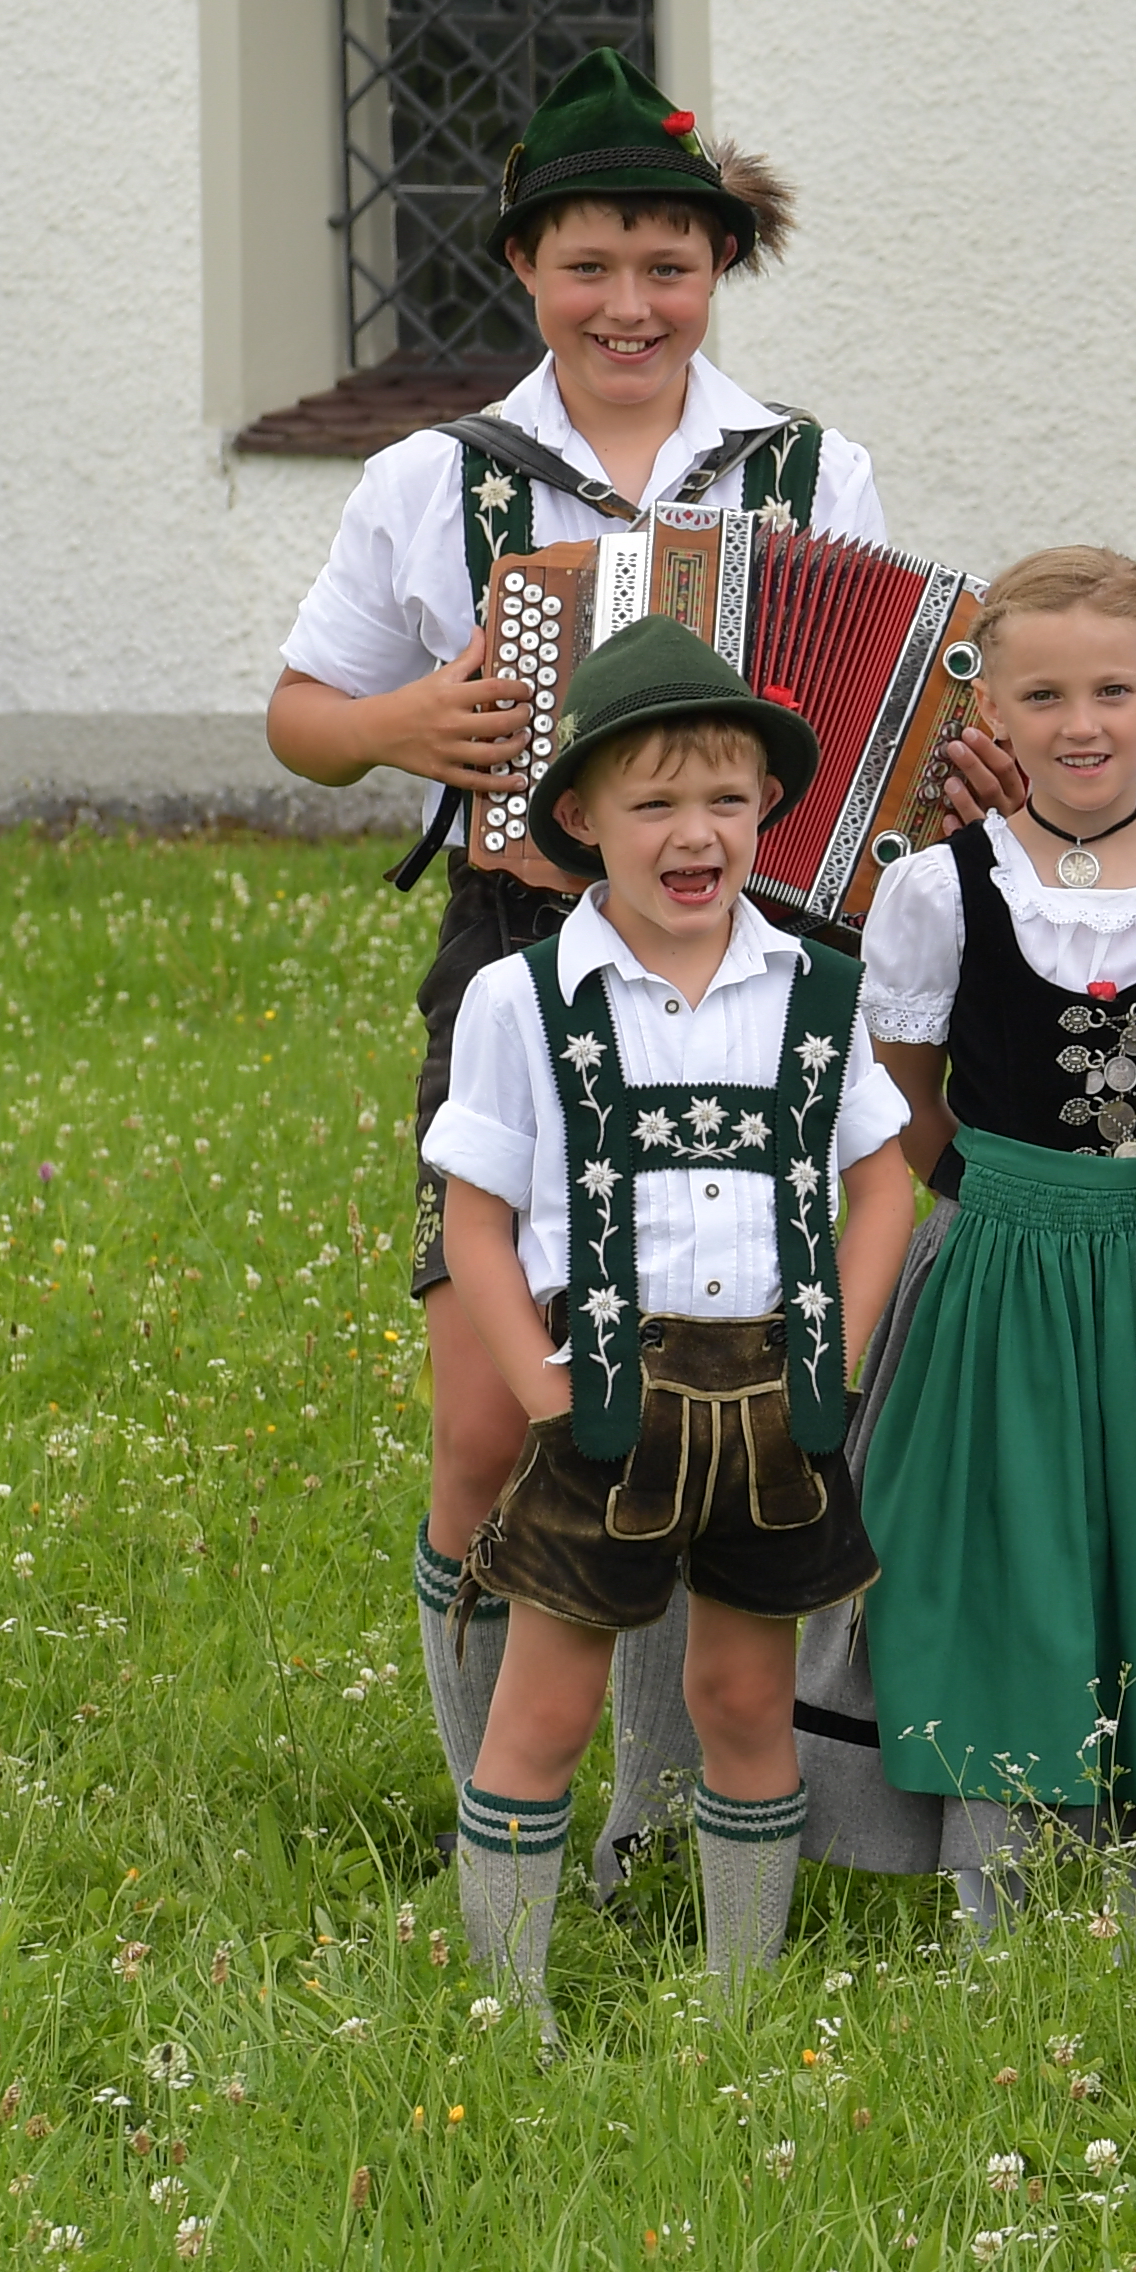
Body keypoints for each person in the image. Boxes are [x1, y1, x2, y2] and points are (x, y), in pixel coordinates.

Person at [265, 49, 969, 1815]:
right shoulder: (433, 477)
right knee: (491, 1418)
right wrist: (405, 725)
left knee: (708, 1394)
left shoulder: (811, 467)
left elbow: (869, 722)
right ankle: (492, 1793)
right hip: (521, 952)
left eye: (669, 263)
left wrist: (926, 779)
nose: (630, 302)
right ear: (523, 266)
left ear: (718, 266)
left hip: (758, 964)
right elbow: (301, 716)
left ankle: (659, 1806)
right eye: (589, 264)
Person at [431, 618, 917, 2033]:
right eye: (653, 804)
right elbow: (473, 1223)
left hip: (775, 1405)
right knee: (545, 1712)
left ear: (768, 808)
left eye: (725, 799)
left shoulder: (819, 991)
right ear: (582, 819)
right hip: (600, 1404)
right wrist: (548, 1398)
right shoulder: (522, 1000)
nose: (694, 833)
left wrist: (834, 1357)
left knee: (744, 1699)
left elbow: (882, 1183)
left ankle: (737, 1995)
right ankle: (510, 2005)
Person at [826, 548, 1136, 1925]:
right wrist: (1017, 1202)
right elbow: (907, 1101)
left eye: (1112, 691)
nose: (1080, 723)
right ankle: (1008, 1871)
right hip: (1006, 1266)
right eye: (1042, 695)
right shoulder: (940, 889)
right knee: (1012, 1543)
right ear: (990, 711)